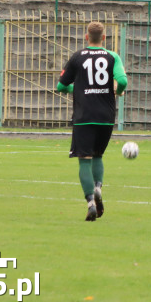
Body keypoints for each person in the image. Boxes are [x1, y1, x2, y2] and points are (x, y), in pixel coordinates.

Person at [57, 21, 127, 221]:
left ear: (86, 37)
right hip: (106, 116)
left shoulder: (77, 57)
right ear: (104, 38)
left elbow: (61, 86)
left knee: (84, 160)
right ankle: (98, 187)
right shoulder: (112, 56)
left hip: (84, 116)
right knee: (98, 156)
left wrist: (76, 90)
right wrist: (118, 92)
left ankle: (90, 203)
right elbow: (122, 81)